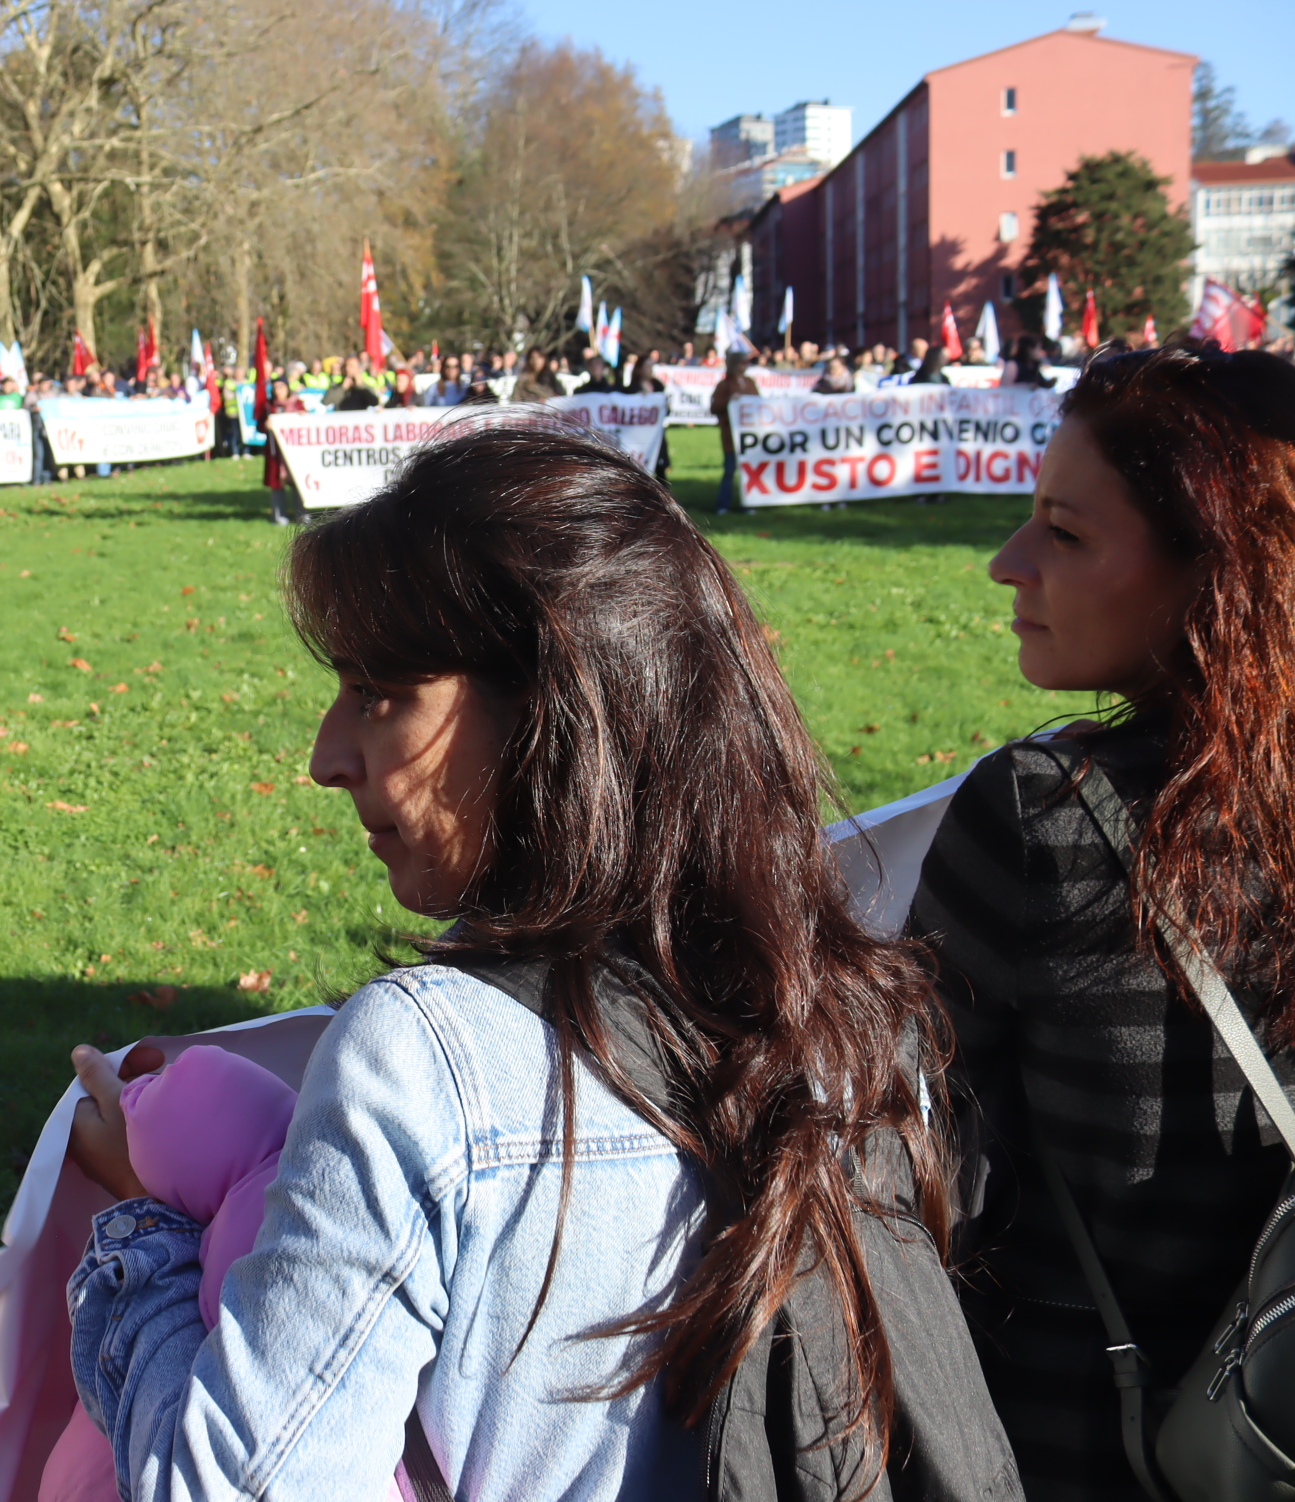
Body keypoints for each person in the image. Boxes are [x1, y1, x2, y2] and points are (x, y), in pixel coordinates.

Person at [64, 417, 1006, 1502]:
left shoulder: (424, 1063)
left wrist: (142, 1236)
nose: (326, 757)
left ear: (546, 708)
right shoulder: (851, 1010)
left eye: (377, 694)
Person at [908, 345, 1295, 1502]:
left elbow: (923, 1188)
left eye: (1065, 533)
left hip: (1077, 1450)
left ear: (1223, 572)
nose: (1007, 561)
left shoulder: (1044, 817)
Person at [709, 349, 758, 513]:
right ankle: (723, 504)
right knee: (729, 470)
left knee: (749, 470)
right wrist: (729, 400)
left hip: (750, 435)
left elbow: (759, 402)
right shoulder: (724, 385)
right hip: (731, 435)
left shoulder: (750, 382)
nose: (746, 366)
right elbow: (714, 407)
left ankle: (748, 503)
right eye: (743, 363)